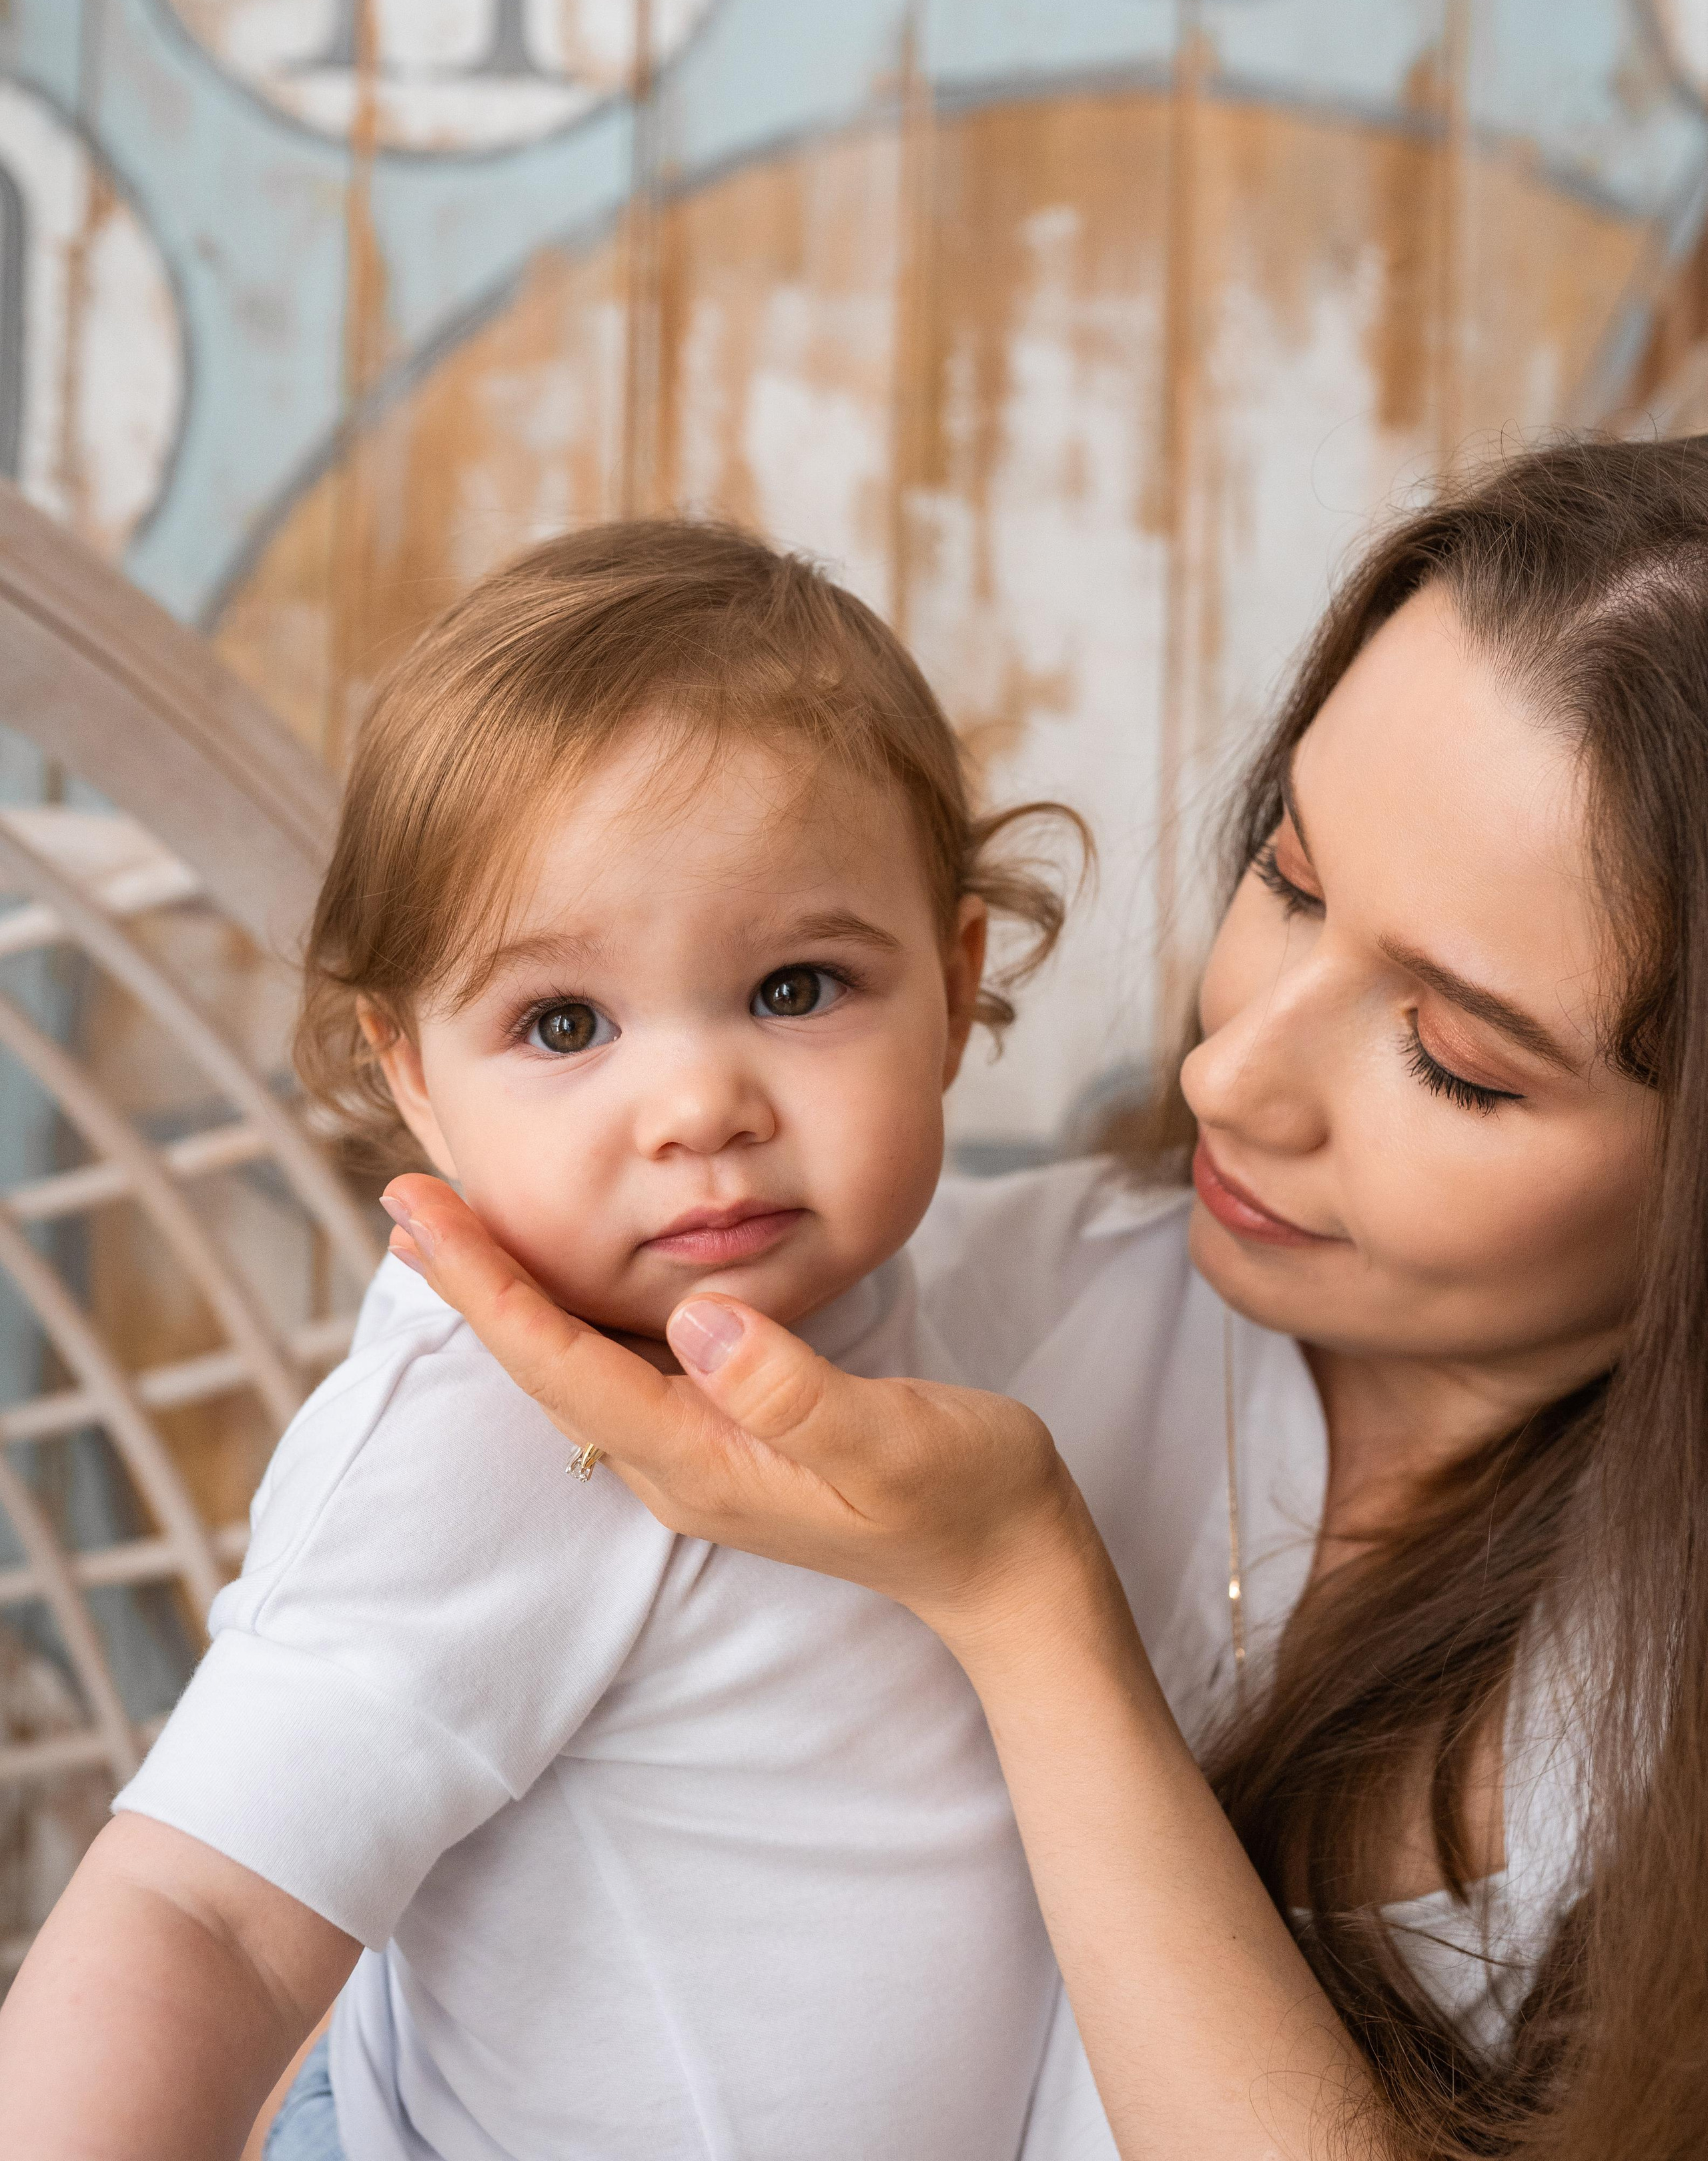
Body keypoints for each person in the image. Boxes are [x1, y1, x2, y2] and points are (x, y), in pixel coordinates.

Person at [370, 438, 1708, 2159]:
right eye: (1285, 880)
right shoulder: (887, 1311)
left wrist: (1022, 1599)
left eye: (1450, 1060)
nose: (1227, 1075)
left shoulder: (1635, 1694)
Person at [0, 521, 1102, 2160]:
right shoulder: (481, 1431)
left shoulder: (928, 1304)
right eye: (563, 1024)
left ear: (952, 985)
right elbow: (199, 1916)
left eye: (796, 988)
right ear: (416, 1076)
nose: (700, 1107)